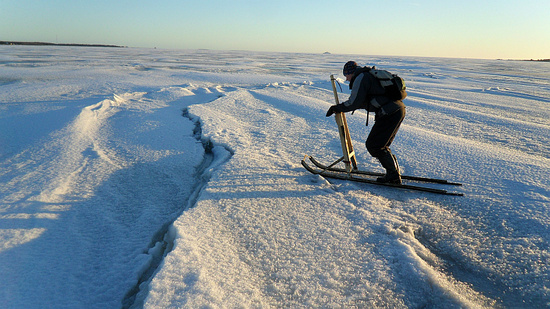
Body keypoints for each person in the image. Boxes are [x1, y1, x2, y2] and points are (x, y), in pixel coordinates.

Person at [326, 61, 406, 184]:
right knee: (380, 145)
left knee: (374, 145)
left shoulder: (361, 78)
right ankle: (393, 173)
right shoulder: (366, 75)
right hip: (396, 110)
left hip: (390, 112)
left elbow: (354, 102)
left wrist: (337, 108)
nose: (346, 79)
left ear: (350, 73)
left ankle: (393, 175)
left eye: (346, 75)